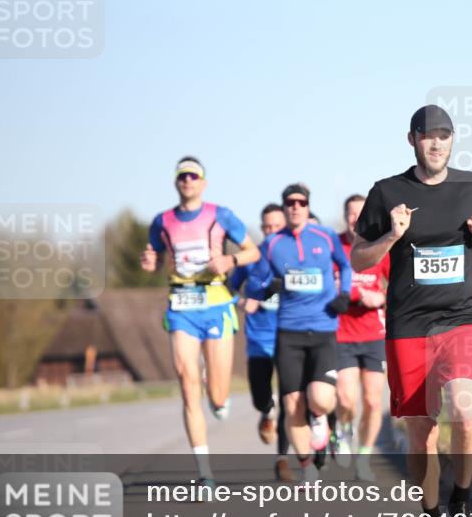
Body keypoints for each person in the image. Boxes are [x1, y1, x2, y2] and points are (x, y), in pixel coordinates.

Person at [350, 105, 472, 517]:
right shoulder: (387, 192)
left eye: (445, 135)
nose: (437, 143)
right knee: (421, 432)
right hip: (408, 327)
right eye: (428, 135)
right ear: (412, 139)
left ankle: (462, 498)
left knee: (464, 406)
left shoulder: (471, 186)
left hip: (460, 318)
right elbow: (359, 260)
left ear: (452, 140)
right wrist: (392, 236)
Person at [140, 156, 259, 488]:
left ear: (203, 183)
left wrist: (230, 259)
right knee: (186, 383)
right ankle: (204, 472)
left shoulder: (220, 215)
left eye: (193, 176)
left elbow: (253, 252)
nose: (187, 180)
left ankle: (218, 394)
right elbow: (154, 259)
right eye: (182, 176)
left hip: (216, 303)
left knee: (216, 396)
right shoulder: (161, 221)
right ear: (176, 183)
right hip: (181, 304)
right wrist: (149, 262)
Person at [247, 183, 353, 484]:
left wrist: (344, 295)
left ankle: (320, 419)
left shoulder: (326, 236)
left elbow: (345, 266)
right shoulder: (271, 244)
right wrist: (267, 288)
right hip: (289, 332)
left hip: (322, 328)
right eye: (290, 203)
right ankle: (306, 463)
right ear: (284, 208)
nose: (295, 207)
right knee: (292, 403)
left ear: (307, 207)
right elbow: (254, 283)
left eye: (301, 202)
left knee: (319, 397)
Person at [228, 203, 293, 480]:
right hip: (258, 339)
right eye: (266, 227)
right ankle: (266, 411)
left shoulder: (296, 257)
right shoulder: (252, 257)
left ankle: (282, 459)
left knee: (291, 400)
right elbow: (227, 286)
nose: (270, 232)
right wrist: (241, 301)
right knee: (261, 398)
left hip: (290, 336)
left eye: (276, 226)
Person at [334, 193, 390, 481]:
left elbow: (397, 286)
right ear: (345, 216)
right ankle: (342, 430)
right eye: (351, 213)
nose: (356, 218)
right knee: (346, 398)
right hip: (341, 334)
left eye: (360, 213)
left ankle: (364, 457)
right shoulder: (335, 245)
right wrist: (359, 295)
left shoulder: (379, 246)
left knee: (372, 402)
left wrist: (379, 297)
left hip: (373, 335)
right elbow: (328, 287)